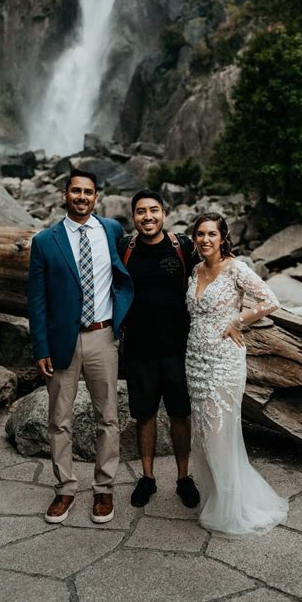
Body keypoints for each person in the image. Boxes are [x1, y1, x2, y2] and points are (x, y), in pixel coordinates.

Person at [28, 169, 133, 525]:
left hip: (104, 336)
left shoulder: (112, 230)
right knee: (60, 419)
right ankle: (65, 488)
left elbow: (126, 272)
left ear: (96, 196)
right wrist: (40, 345)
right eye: (76, 191)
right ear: (64, 194)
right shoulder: (45, 241)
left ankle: (104, 487)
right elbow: (37, 300)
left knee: (108, 417)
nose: (82, 197)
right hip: (63, 341)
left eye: (88, 191)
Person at [186, 212, 288, 535]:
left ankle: (232, 507)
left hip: (224, 361)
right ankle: (214, 496)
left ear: (223, 238)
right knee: (202, 433)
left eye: (211, 234)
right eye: (200, 234)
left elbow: (271, 300)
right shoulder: (196, 269)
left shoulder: (235, 269)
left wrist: (238, 321)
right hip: (195, 360)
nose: (205, 240)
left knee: (219, 433)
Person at [119, 190, 200, 509]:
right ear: (133, 216)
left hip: (179, 349)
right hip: (138, 348)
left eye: (153, 210)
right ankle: (148, 477)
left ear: (164, 213)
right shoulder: (126, 247)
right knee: (145, 415)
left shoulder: (183, 247)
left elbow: (213, 272)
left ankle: (183, 477)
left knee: (181, 414)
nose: (147, 217)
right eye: (141, 212)